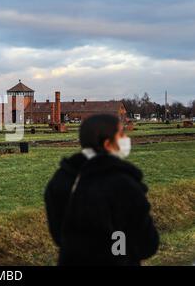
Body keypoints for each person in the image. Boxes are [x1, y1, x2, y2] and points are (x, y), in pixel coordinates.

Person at [44, 114, 159, 266]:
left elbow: (60, 236)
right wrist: (120, 252)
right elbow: (146, 244)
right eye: (121, 134)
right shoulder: (123, 185)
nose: (126, 138)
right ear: (107, 144)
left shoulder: (61, 179)